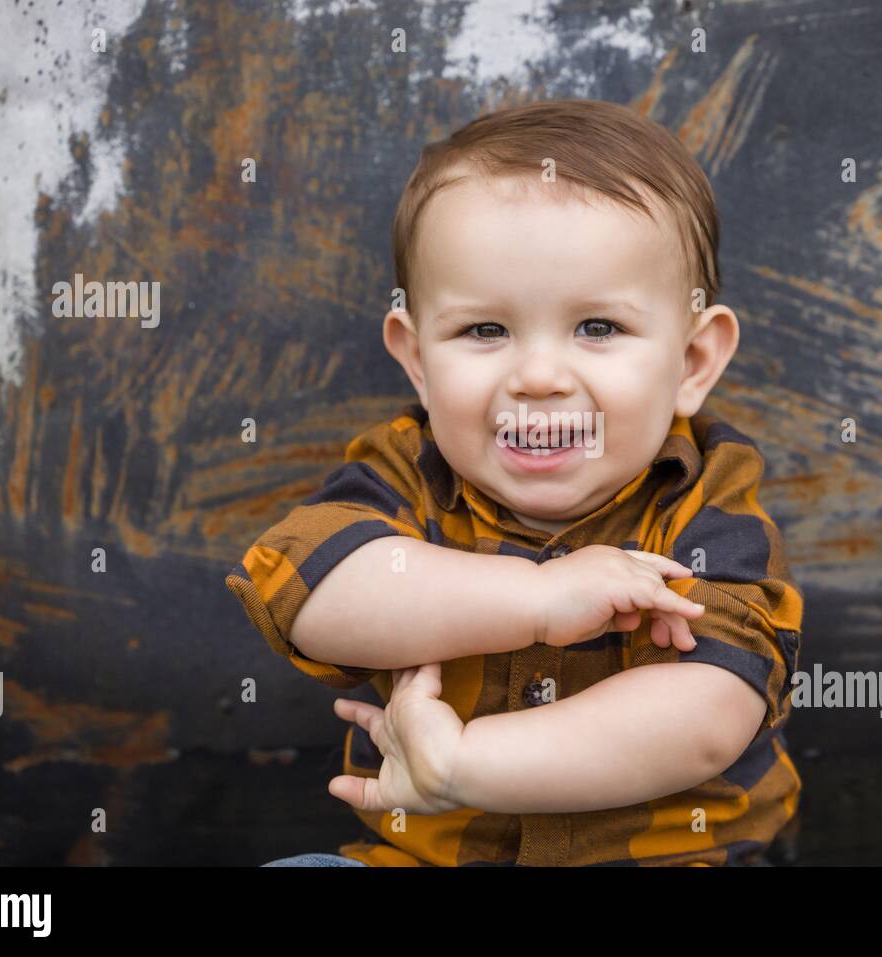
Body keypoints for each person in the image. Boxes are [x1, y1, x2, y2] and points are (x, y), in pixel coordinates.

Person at [229, 99, 804, 867]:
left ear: (693, 363)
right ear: (417, 360)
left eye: (598, 327)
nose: (537, 377)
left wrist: (462, 762)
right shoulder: (407, 472)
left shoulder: (707, 505)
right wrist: (536, 598)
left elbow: (708, 710)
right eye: (485, 330)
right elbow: (309, 590)